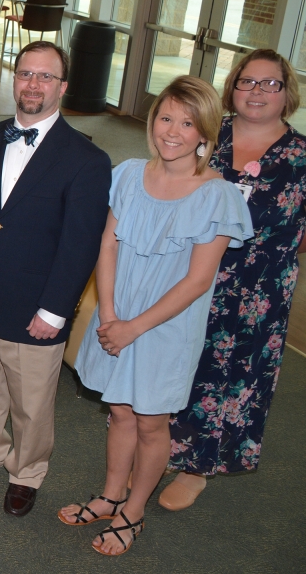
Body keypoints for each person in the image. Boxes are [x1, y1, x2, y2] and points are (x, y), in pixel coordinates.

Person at [60, 76, 252, 556]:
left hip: (165, 327)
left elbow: (196, 281)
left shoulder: (217, 195)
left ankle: (134, 510)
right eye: (165, 117)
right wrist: (109, 311)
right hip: (116, 315)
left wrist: (132, 327)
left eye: (187, 123)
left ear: (205, 134)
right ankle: (110, 494)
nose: (172, 131)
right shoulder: (127, 173)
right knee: (120, 412)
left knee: (150, 421)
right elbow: (108, 243)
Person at [0, 41, 111, 518]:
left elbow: (80, 245)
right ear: (13, 79)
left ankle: (27, 472)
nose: (33, 85)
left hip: (36, 299)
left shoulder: (86, 160)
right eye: (25, 74)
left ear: (63, 87)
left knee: (31, 399)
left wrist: (54, 310)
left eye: (45, 77)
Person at [162, 50, 305, 510]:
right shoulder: (205, 132)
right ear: (232, 87)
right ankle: (156, 445)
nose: (257, 92)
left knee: (233, 374)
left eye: (270, 84)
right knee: (174, 359)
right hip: (188, 272)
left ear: (287, 93)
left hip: (258, 290)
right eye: (247, 82)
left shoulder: (301, 157)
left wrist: (268, 258)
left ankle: (199, 464)